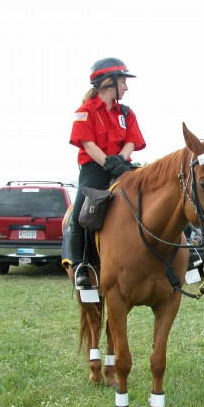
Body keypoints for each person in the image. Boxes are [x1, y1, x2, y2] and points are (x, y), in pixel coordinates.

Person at [69, 57, 146, 287]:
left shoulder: (126, 113)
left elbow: (132, 140)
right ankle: (80, 265)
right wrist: (108, 163)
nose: (126, 87)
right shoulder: (84, 111)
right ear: (108, 82)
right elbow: (88, 144)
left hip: (122, 166)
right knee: (80, 215)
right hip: (94, 169)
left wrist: (121, 159)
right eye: (123, 82)